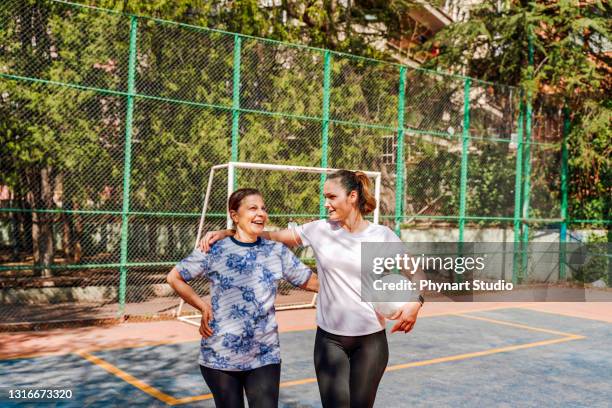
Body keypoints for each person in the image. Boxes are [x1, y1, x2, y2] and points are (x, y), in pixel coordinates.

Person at [200, 170, 425, 408]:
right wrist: (230, 232)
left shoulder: (381, 236)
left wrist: (415, 303)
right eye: (324, 197)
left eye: (331, 197)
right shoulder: (320, 230)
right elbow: (272, 235)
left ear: (351, 196)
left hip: (370, 341)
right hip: (330, 341)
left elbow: (416, 272)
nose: (326, 203)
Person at [167, 188, 319, 408]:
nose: (261, 213)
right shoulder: (214, 249)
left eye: (263, 208)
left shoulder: (276, 251)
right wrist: (202, 306)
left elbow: (315, 283)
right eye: (253, 208)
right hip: (220, 356)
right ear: (235, 215)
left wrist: (361, 290)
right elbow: (174, 277)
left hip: (264, 354)